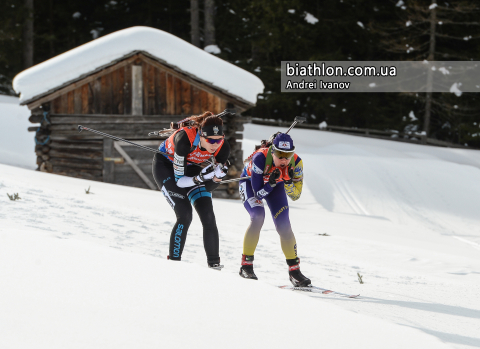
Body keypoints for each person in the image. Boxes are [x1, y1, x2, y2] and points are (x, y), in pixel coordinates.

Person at [152, 111, 230, 269]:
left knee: (208, 215)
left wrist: (217, 178)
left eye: (219, 139)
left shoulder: (223, 147)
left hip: (192, 168)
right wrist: (200, 178)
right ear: (201, 135)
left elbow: (208, 188)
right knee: (185, 215)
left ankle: (214, 265)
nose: (215, 144)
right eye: (210, 140)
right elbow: (180, 182)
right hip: (166, 166)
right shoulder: (184, 139)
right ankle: (174, 263)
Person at [238, 132, 311, 286]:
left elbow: (295, 196)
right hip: (250, 184)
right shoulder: (260, 158)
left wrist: (288, 182)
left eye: (288, 155)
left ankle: (294, 272)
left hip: (275, 185)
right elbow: (258, 194)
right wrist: (270, 183)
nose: (284, 159)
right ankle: (246, 266)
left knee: (284, 225)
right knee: (258, 216)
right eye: (280, 154)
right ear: (272, 151)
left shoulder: (296, 162)